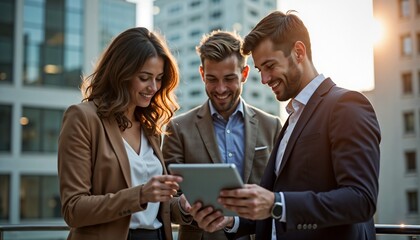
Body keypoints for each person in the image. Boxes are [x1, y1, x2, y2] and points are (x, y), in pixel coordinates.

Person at [188, 11, 381, 240]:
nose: (265, 79)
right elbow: (276, 204)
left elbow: (360, 200)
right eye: (261, 70)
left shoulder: (346, 105)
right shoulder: (292, 118)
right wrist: (232, 221)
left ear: (299, 52)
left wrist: (277, 203)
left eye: (270, 66)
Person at [57, 27, 186, 240]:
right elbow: (73, 209)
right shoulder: (83, 118)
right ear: (121, 74)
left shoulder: (150, 127)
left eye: (159, 78)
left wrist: (181, 206)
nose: (153, 87)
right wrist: (140, 194)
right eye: (145, 77)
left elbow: (155, 208)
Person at [162, 30, 282, 240]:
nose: (220, 89)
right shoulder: (178, 128)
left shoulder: (271, 126)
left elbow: (280, 196)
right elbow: (164, 202)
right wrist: (183, 207)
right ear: (201, 74)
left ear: (244, 74)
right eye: (211, 79)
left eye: (229, 79)